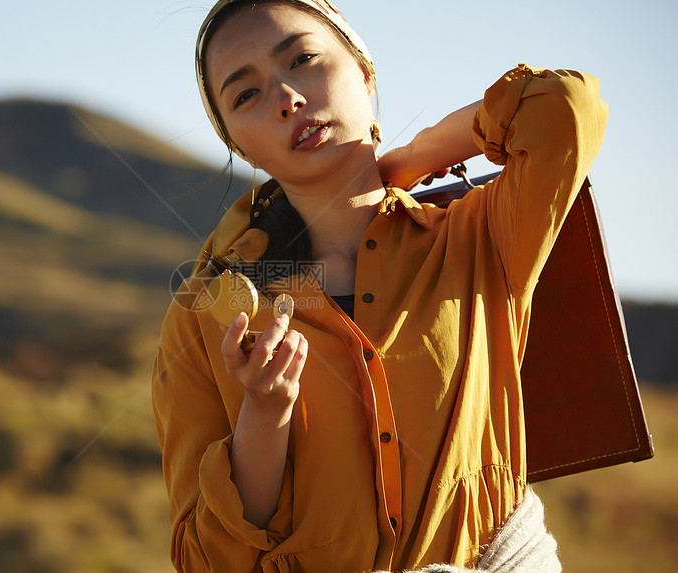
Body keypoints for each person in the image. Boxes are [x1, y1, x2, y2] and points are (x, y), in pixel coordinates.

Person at [152, 0, 608, 571]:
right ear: (242, 147)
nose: (286, 98)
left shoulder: (478, 238)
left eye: (303, 59)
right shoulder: (203, 316)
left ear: (366, 72)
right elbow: (204, 561)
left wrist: (418, 157)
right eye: (246, 95)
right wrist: (263, 420)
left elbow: (564, 104)